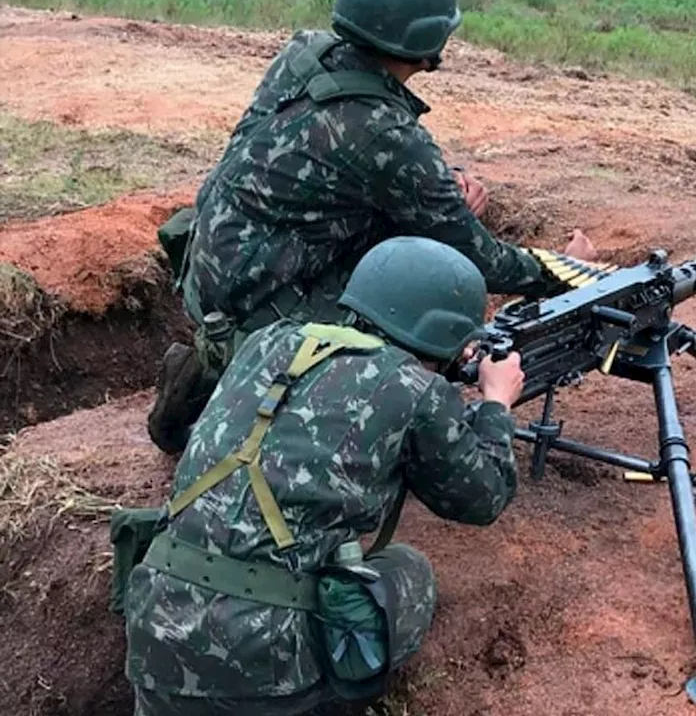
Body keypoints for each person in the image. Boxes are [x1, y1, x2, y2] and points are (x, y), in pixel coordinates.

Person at [147, 0, 595, 454]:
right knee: (414, 306)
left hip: (206, 264)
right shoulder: (386, 134)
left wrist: (440, 184)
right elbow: (480, 258)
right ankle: (234, 377)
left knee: (401, 248)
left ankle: (215, 365)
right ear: (426, 39)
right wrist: (561, 270)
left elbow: (347, 166)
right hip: (256, 303)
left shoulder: (307, 53)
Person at [123, 237, 526, 715]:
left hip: (152, 631)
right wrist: (497, 404)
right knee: (408, 570)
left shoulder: (267, 340)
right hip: (266, 666)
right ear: (445, 336)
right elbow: (483, 496)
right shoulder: (415, 389)